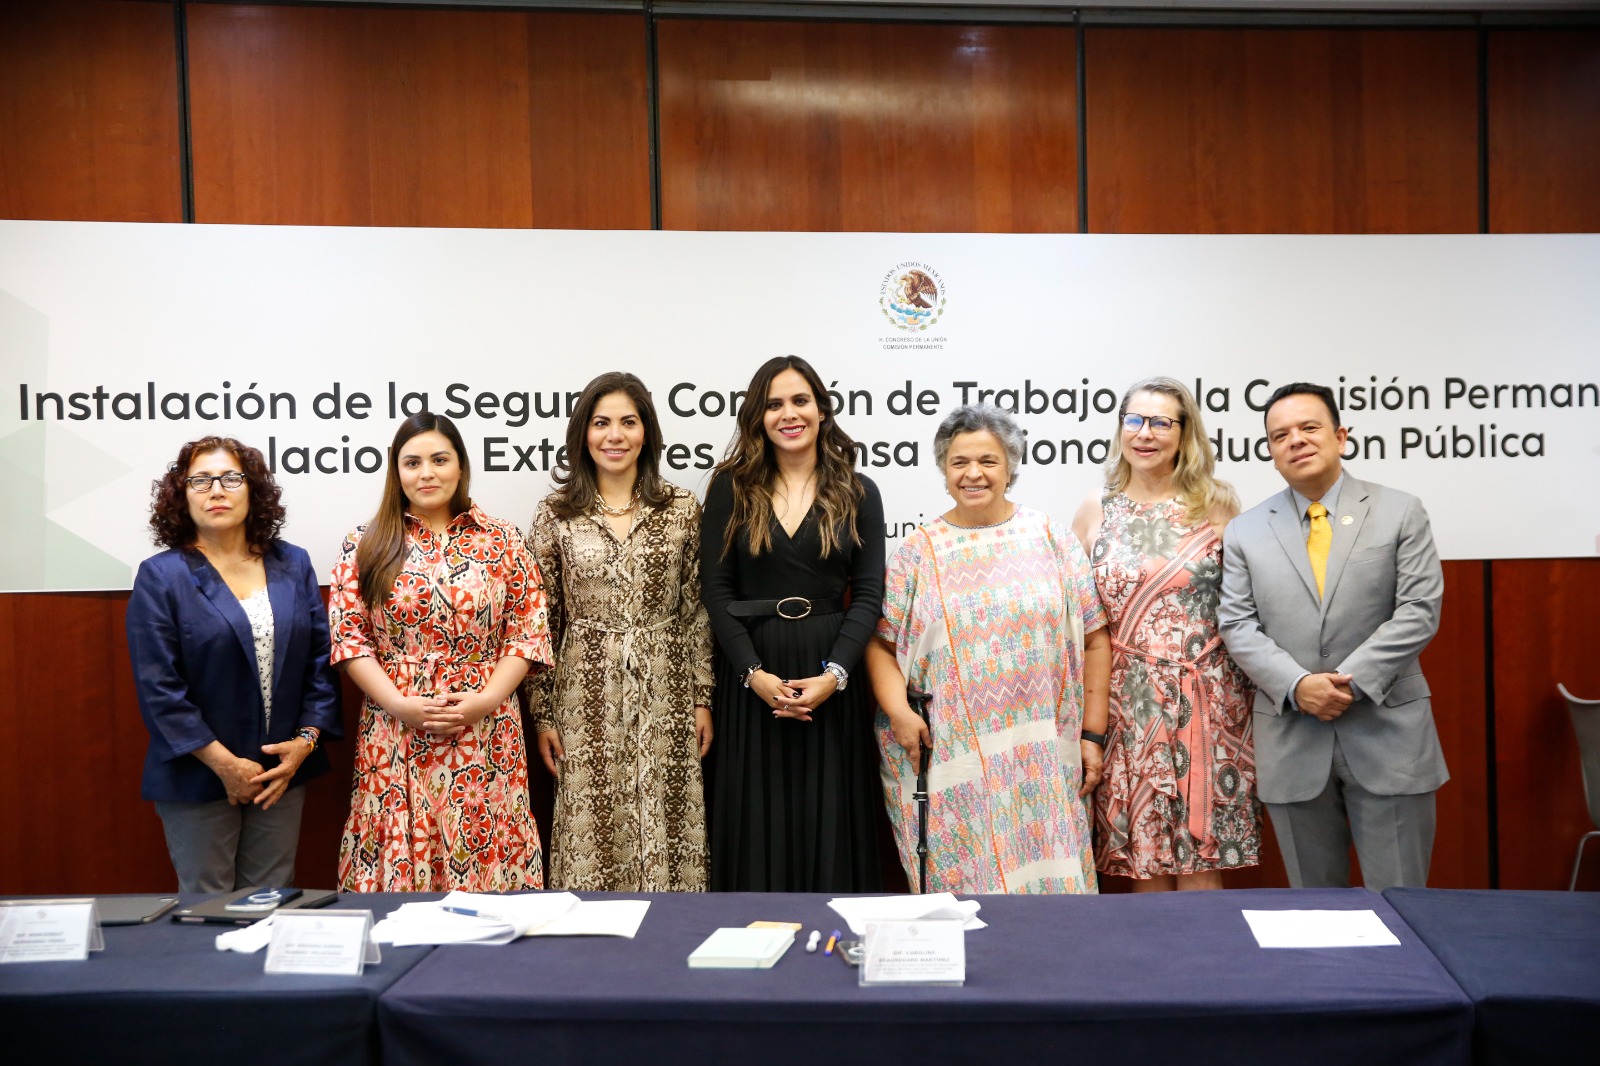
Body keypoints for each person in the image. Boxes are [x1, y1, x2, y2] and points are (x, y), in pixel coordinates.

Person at [868, 404, 1110, 894]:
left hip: (1043, 759)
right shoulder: (918, 553)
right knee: (962, 902)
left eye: (988, 461)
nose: (973, 473)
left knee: (1053, 900)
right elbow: (881, 645)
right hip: (950, 762)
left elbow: (1094, 636)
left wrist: (1092, 735)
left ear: (1011, 466)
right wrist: (898, 713)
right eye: (959, 462)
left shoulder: (1051, 538)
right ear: (943, 468)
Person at [1219, 382, 1446, 893]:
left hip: (1389, 737)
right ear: (1270, 451)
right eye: (1280, 435)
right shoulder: (1245, 531)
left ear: (1341, 436)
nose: (1296, 441)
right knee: (1315, 912)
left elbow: (1418, 610)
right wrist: (1299, 686)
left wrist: (1348, 681)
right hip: (1293, 739)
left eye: (1309, 428)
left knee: (1402, 904)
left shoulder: (1400, 511)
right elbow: (1237, 624)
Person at [329, 412, 551, 892]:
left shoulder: (504, 539)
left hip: (486, 729)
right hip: (395, 729)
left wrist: (485, 701)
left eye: (439, 459)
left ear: (461, 465)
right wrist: (399, 704)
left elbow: (526, 633)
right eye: (412, 462)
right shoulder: (365, 543)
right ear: (397, 470)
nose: (426, 473)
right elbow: (350, 639)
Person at [700, 355, 885, 892]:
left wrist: (835, 676)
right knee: (757, 820)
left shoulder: (859, 491)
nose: (789, 414)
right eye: (774, 404)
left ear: (822, 410)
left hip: (832, 676)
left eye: (800, 401)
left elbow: (867, 595)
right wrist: (752, 674)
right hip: (753, 676)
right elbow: (716, 591)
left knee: (832, 818)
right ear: (758, 417)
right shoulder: (731, 488)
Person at [127, 436, 340, 893]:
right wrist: (224, 764)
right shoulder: (161, 576)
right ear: (182, 495)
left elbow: (319, 664)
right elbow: (159, 688)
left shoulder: (292, 563)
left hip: (281, 772)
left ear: (253, 489)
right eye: (201, 481)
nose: (216, 491)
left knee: (271, 902)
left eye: (230, 478)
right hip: (198, 773)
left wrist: (305, 743)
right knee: (208, 909)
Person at [526, 372, 714, 891]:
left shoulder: (680, 508)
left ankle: (672, 931)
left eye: (628, 422)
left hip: (667, 688)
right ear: (582, 434)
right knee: (593, 824)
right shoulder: (556, 514)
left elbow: (696, 611)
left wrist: (702, 698)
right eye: (601, 423)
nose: (615, 435)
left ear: (646, 432)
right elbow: (542, 621)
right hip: (584, 694)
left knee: (668, 817)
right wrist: (543, 715)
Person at [1072, 378, 1258, 891]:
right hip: (1128, 704)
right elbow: (1077, 619)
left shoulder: (1216, 504)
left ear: (1184, 432)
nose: (1145, 433)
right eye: (1134, 420)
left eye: (1160, 422)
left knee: (1202, 861)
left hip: (1207, 699)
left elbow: (1248, 604)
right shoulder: (1096, 507)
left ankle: (1206, 949)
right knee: (1144, 859)